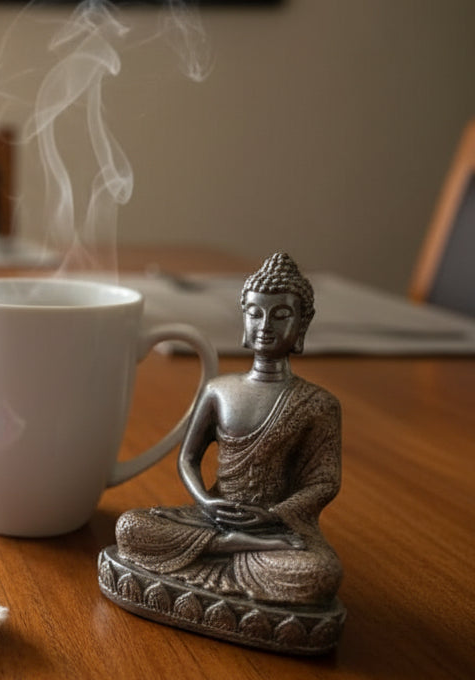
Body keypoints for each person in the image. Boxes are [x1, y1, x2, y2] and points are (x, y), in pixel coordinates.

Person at [114, 252, 342, 606]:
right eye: (255, 313)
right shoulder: (219, 389)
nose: (265, 324)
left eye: (280, 315)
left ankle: (231, 551)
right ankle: (236, 547)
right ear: (244, 320)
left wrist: (272, 514)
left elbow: (323, 482)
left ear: (302, 324)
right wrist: (206, 501)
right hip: (213, 516)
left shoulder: (317, 403)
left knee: (319, 573)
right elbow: (188, 458)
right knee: (129, 527)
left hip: (275, 526)